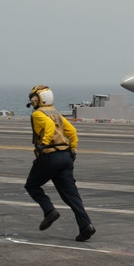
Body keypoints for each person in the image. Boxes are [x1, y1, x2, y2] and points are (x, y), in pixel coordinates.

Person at [24, 85, 96, 241]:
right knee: (72, 196)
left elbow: (49, 127)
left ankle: (49, 211)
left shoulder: (38, 114)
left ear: (37, 99)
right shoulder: (56, 113)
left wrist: (44, 143)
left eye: (33, 98)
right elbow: (72, 132)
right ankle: (86, 226)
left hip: (50, 157)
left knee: (31, 185)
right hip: (65, 157)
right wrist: (73, 150)